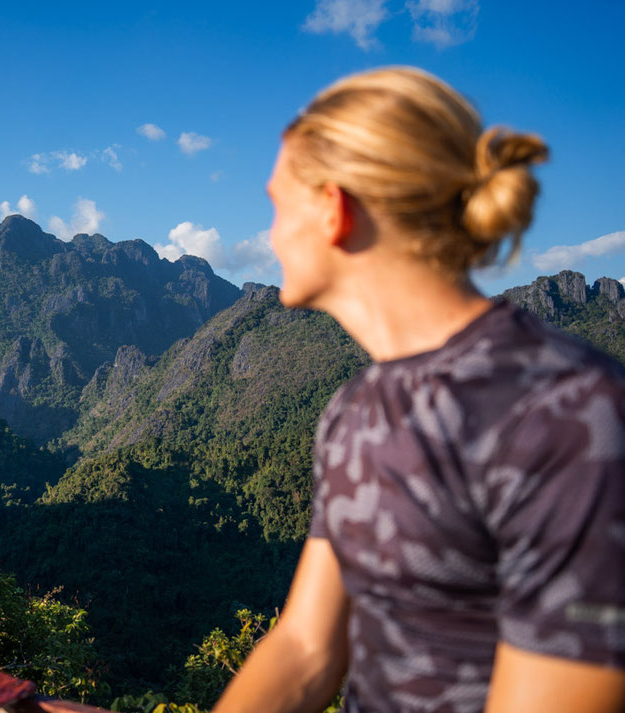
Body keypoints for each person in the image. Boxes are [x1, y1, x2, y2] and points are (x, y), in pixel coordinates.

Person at [211, 66, 625, 713]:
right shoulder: (353, 410)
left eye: (276, 204)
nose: (268, 233)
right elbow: (306, 647)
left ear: (333, 208)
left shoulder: (567, 411)